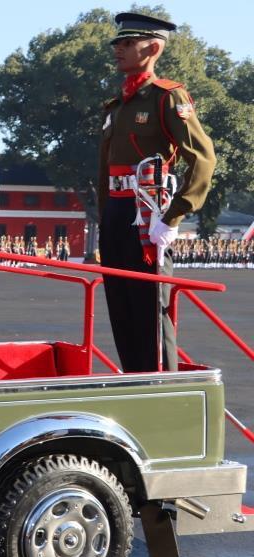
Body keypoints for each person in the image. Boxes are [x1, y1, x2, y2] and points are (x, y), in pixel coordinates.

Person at [99, 12, 215, 372]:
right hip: (117, 215)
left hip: (147, 216)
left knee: (151, 310)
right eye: (117, 42)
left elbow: (203, 157)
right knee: (120, 308)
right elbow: (104, 172)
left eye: (127, 43)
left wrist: (174, 215)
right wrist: (105, 217)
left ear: (151, 48)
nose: (118, 48)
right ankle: (134, 382)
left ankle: (161, 387)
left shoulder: (167, 96)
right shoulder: (116, 106)